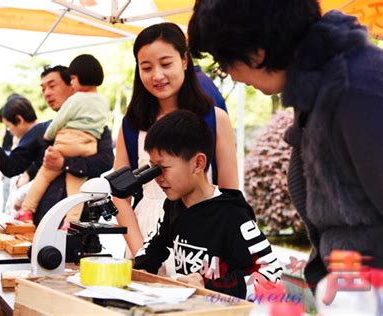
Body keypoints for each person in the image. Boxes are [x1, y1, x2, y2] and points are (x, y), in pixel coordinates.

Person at [188, 0, 383, 290]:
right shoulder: (317, 89)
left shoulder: (355, 90)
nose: (228, 74)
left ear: (257, 53)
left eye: (225, 61)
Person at [113, 22, 239, 261]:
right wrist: (141, 252)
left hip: (203, 242)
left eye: (166, 63)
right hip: (144, 236)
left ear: (184, 60)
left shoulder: (215, 120)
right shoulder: (130, 126)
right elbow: (120, 195)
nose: (157, 75)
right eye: (147, 67)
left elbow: (230, 193)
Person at [134, 110, 282, 299]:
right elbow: (155, 245)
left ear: (198, 163)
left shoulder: (232, 215)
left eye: (163, 168)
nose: (157, 178)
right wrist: (142, 269)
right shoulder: (173, 205)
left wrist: (209, 285)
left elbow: (271, 274)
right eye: (153, 168)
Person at [0, 65, 114, 225]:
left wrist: (64, 163)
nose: (46, 93)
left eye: (52, 86)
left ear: (72, 85)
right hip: (41, 224)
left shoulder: (96, 128)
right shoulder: (40, 131)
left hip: (80, 230)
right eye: (43, 88)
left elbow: (106, 161)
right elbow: (12, 167)